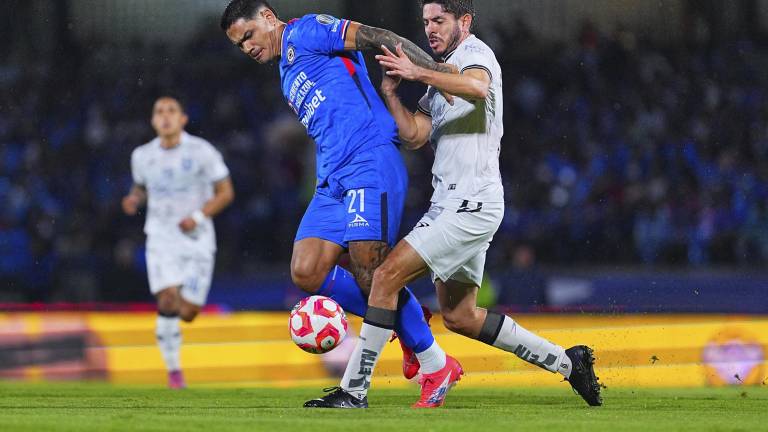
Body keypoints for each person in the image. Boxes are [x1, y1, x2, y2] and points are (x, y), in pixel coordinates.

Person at [325, 0, 603, 408]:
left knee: (384, 277)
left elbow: (477, 87)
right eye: (425, 22)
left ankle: (353, 390)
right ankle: (568, 362)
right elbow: (416, 134)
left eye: (439, 20)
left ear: (464, 21)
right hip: (455, 202)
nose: (430, 29)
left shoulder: (475, 55)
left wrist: (419, 72)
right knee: (459, 315)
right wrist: (390, 93)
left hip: (469, 203)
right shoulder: (441, 74)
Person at [219, 0, 458, 408]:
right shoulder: (286, 71)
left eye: (247, 37)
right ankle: (406, 318)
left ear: (267, 18)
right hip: (331, 182)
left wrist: (438, 73)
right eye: (239, 46)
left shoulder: (309, 30)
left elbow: (378, 37)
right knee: (307, 270)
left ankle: (434, 364)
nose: (247, 48)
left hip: (369, 163)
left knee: (371, 275)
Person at [122, 97, 235, 389]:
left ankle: (175, 352)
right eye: (159, 111)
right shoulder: (142, 156)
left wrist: (197, 216)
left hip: (196, 238)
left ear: (183, 119)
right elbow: (141, 186)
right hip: (161, 236)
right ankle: (173, 372)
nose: (165, 116)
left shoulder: (201, 151)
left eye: (171, 111)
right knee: (168, 299)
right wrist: (135, 198)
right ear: (153, 121)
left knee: (188, 312)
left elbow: (225, 192)